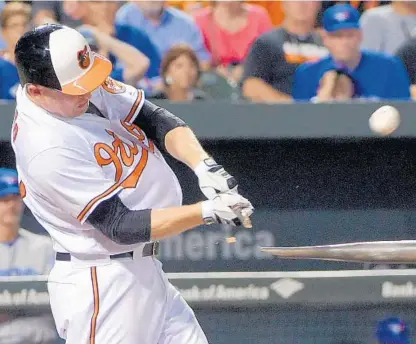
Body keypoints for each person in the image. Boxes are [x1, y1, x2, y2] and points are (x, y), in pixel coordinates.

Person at [12, 24, 254, 344]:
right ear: (36, 91)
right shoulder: (45, 146)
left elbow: (154, 118)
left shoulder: (77, 84)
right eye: (75, 89)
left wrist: (203, 165)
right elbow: (120, 225)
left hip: (143, 270)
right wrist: (206, 211)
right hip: (103, 282)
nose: (87, 91)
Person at [293, 4, 411, 102]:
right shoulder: (307, 73)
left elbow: (405, 112)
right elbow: (300, 120)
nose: (344, 42)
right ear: (325, 39)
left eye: (350, 35)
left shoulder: (389, 67)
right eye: (337, 36)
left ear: (360, 35)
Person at [0, 168, 57, 344]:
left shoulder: (45, 246)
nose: (11, 205)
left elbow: (52, 310)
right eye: (4, 199)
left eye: (16, 198)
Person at [241, 0, 328, 103]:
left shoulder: (329, 43)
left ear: (318, 5)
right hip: (280, 113)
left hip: (323, 110)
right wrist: (290, 105)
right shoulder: (267, 42)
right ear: (284, 4)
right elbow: (251, 85)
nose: (302, 3)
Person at [64, 0, 161, 90]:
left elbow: (150, 70)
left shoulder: (134, 34)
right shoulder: (75, 39)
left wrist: (100, 36)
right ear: (82, 7)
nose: (105, 7)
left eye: (110, 1)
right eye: (97, 2)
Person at [193, 1, 273, 84]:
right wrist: (214, 72)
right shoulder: (199, 20)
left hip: (254, 80)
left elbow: (270, 55)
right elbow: (196, 62)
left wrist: (247, 69)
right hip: (213, 83)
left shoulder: (259, 16)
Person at [115, 1, 211, 69]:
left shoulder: (185, 24)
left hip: (177, 92)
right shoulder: (122, 20)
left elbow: (203, 62)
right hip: (133, 89)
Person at [0, 2, 31, 100]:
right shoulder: (2, 67)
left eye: (24, 25)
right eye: (14, 25)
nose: (20, 30)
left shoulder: (40, 66)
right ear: (4, 32)